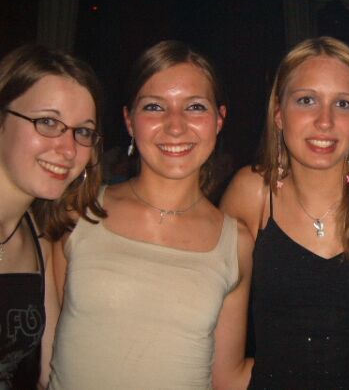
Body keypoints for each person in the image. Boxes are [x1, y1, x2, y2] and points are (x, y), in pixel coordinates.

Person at [49, 40, 253, 389]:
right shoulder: (79, 212)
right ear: (129, 121)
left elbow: (227, 378)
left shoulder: (236, 242)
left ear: (219, 119)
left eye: (195, 107)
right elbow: (44, 352)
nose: (175, 126)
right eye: (155, 107)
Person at [220, 36, 349, 389]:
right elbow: (222, 357)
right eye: (306, 100)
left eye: (343, 104)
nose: (325, 121)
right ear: (278, 113)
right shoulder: (253, 193)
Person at [0, 44, 104, 389]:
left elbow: (50, 373)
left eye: (83, 131)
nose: (69, 149)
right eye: (47, 122)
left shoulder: (38, 240)